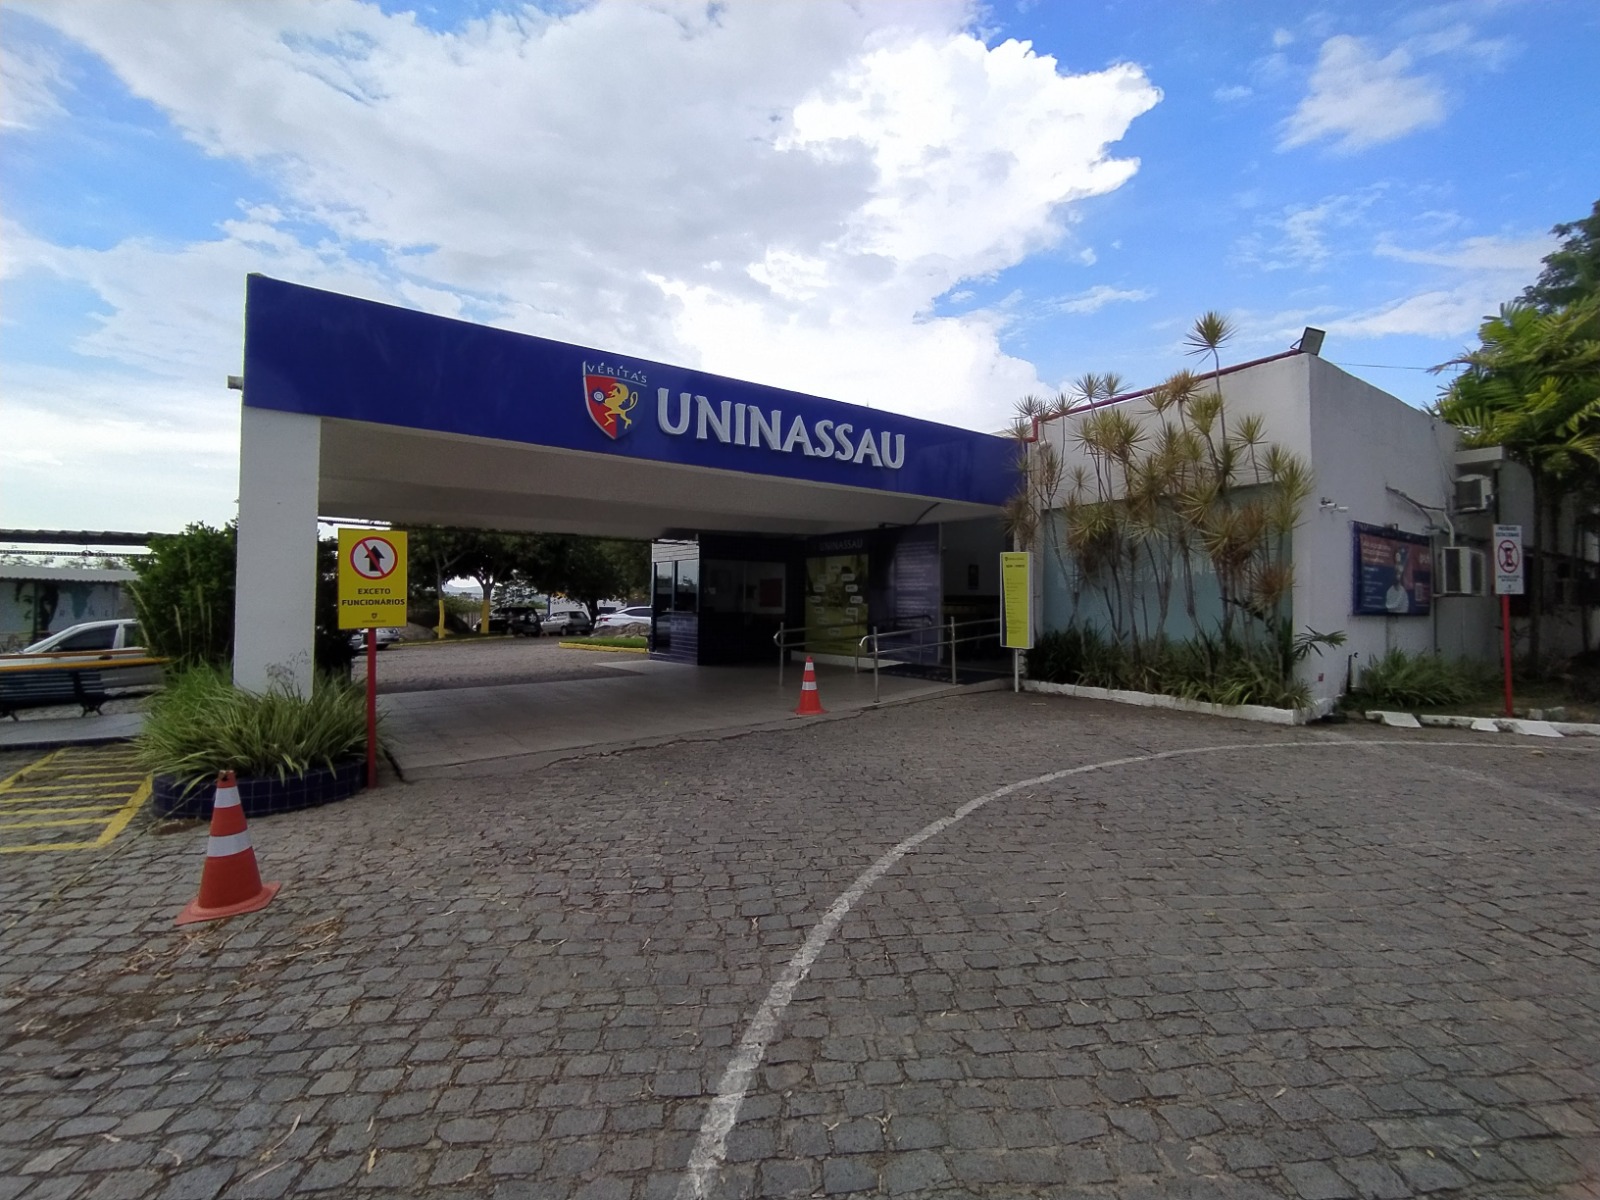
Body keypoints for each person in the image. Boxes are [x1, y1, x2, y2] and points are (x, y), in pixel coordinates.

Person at [1385, 547, 1410, 613]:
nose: (1398, 557)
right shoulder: (1389, 591)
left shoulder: (1404, 592)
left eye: (1399, 555)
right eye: (1397, 555)